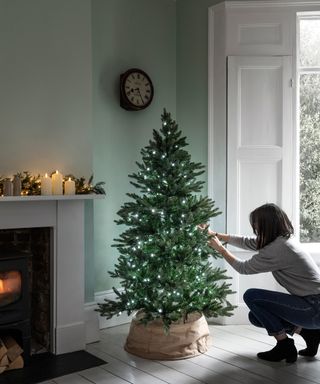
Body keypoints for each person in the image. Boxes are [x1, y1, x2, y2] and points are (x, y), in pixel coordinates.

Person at [203, 203, 320, 363]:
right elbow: (248, 242)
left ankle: (284, 345)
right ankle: (309, 333)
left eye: (257, 225)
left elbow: (243, 268)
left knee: (252, 296)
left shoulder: (279, 248)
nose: (255, 228)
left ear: (267, 225)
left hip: (314, 308)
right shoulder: (284, 239)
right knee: (255, 317)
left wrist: (221, 249)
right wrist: (215, 234)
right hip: (312, 305)